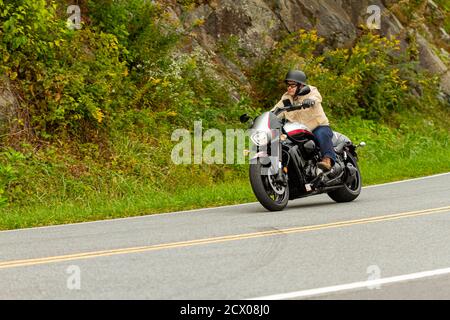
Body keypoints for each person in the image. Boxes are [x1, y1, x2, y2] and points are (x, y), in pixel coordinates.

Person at [271, 70, 336, 171]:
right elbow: (276, 110)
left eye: (292, 85)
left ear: (301, 86)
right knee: (286, 143)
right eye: (288, 85)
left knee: (322, 134)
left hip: (316, 126)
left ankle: (327, 160)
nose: (289, 88)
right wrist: (267, 117)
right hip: (298, 130)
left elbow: (317, 97)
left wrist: (311, 101)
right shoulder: (286, 97)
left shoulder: (310, 91)